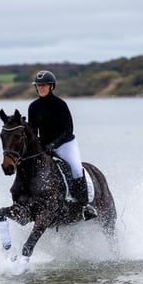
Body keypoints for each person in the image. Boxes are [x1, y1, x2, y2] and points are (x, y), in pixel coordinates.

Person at [27, 70, 97, 220]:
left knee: (76, 169)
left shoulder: (60, 105)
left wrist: (54, 144)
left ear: (51, 86)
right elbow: (33, 131)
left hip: (65, 144)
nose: (41, 88)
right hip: (45, 146)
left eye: (44, 85)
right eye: (38, 86)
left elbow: (68, 129)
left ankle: (85, 206)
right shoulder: (33, 107)